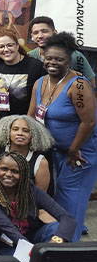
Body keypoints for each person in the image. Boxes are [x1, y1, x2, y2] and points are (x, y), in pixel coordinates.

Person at [27, 32, 97, 241]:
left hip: (78, 154)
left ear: (69, 60)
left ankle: (69, 251)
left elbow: (88, 122)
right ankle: (59, 244)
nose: (53, 62)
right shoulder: (40, 83)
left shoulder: (79, 85)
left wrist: (74, 149)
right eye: (49, 58)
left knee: (70, 201)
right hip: (53, 151)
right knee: (57, 200)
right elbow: (31, 117)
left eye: (59, 59)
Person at [0, 151, 75, 256]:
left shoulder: (31, 190)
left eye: (15, 171)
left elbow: (67, 218)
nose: (8, 174)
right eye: (4, 169)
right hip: (2, 244)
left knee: (54, 228)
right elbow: (9, 229)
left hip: (30, 237)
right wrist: (36, 252)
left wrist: (57, 241)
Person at [0, 115, 53, 193]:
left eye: (25, 131)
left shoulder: (41, 162)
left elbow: (40, 195)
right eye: (15, 129)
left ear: (33, 135)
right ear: (8, 132)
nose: (20, 133)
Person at [0, 28, 46, 120]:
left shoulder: (36, 66)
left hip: (27, 122)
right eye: (1, 46)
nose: (6, 49)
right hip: (2, 121)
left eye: (10, 45)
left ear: (17, 45)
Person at [27, 16, 95, 86]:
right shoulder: (29, 57)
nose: (40, 36)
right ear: (32, 36)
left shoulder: (74, 55)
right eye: (35, 33)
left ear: (54, 33)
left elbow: (91, 83)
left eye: (44, 31)